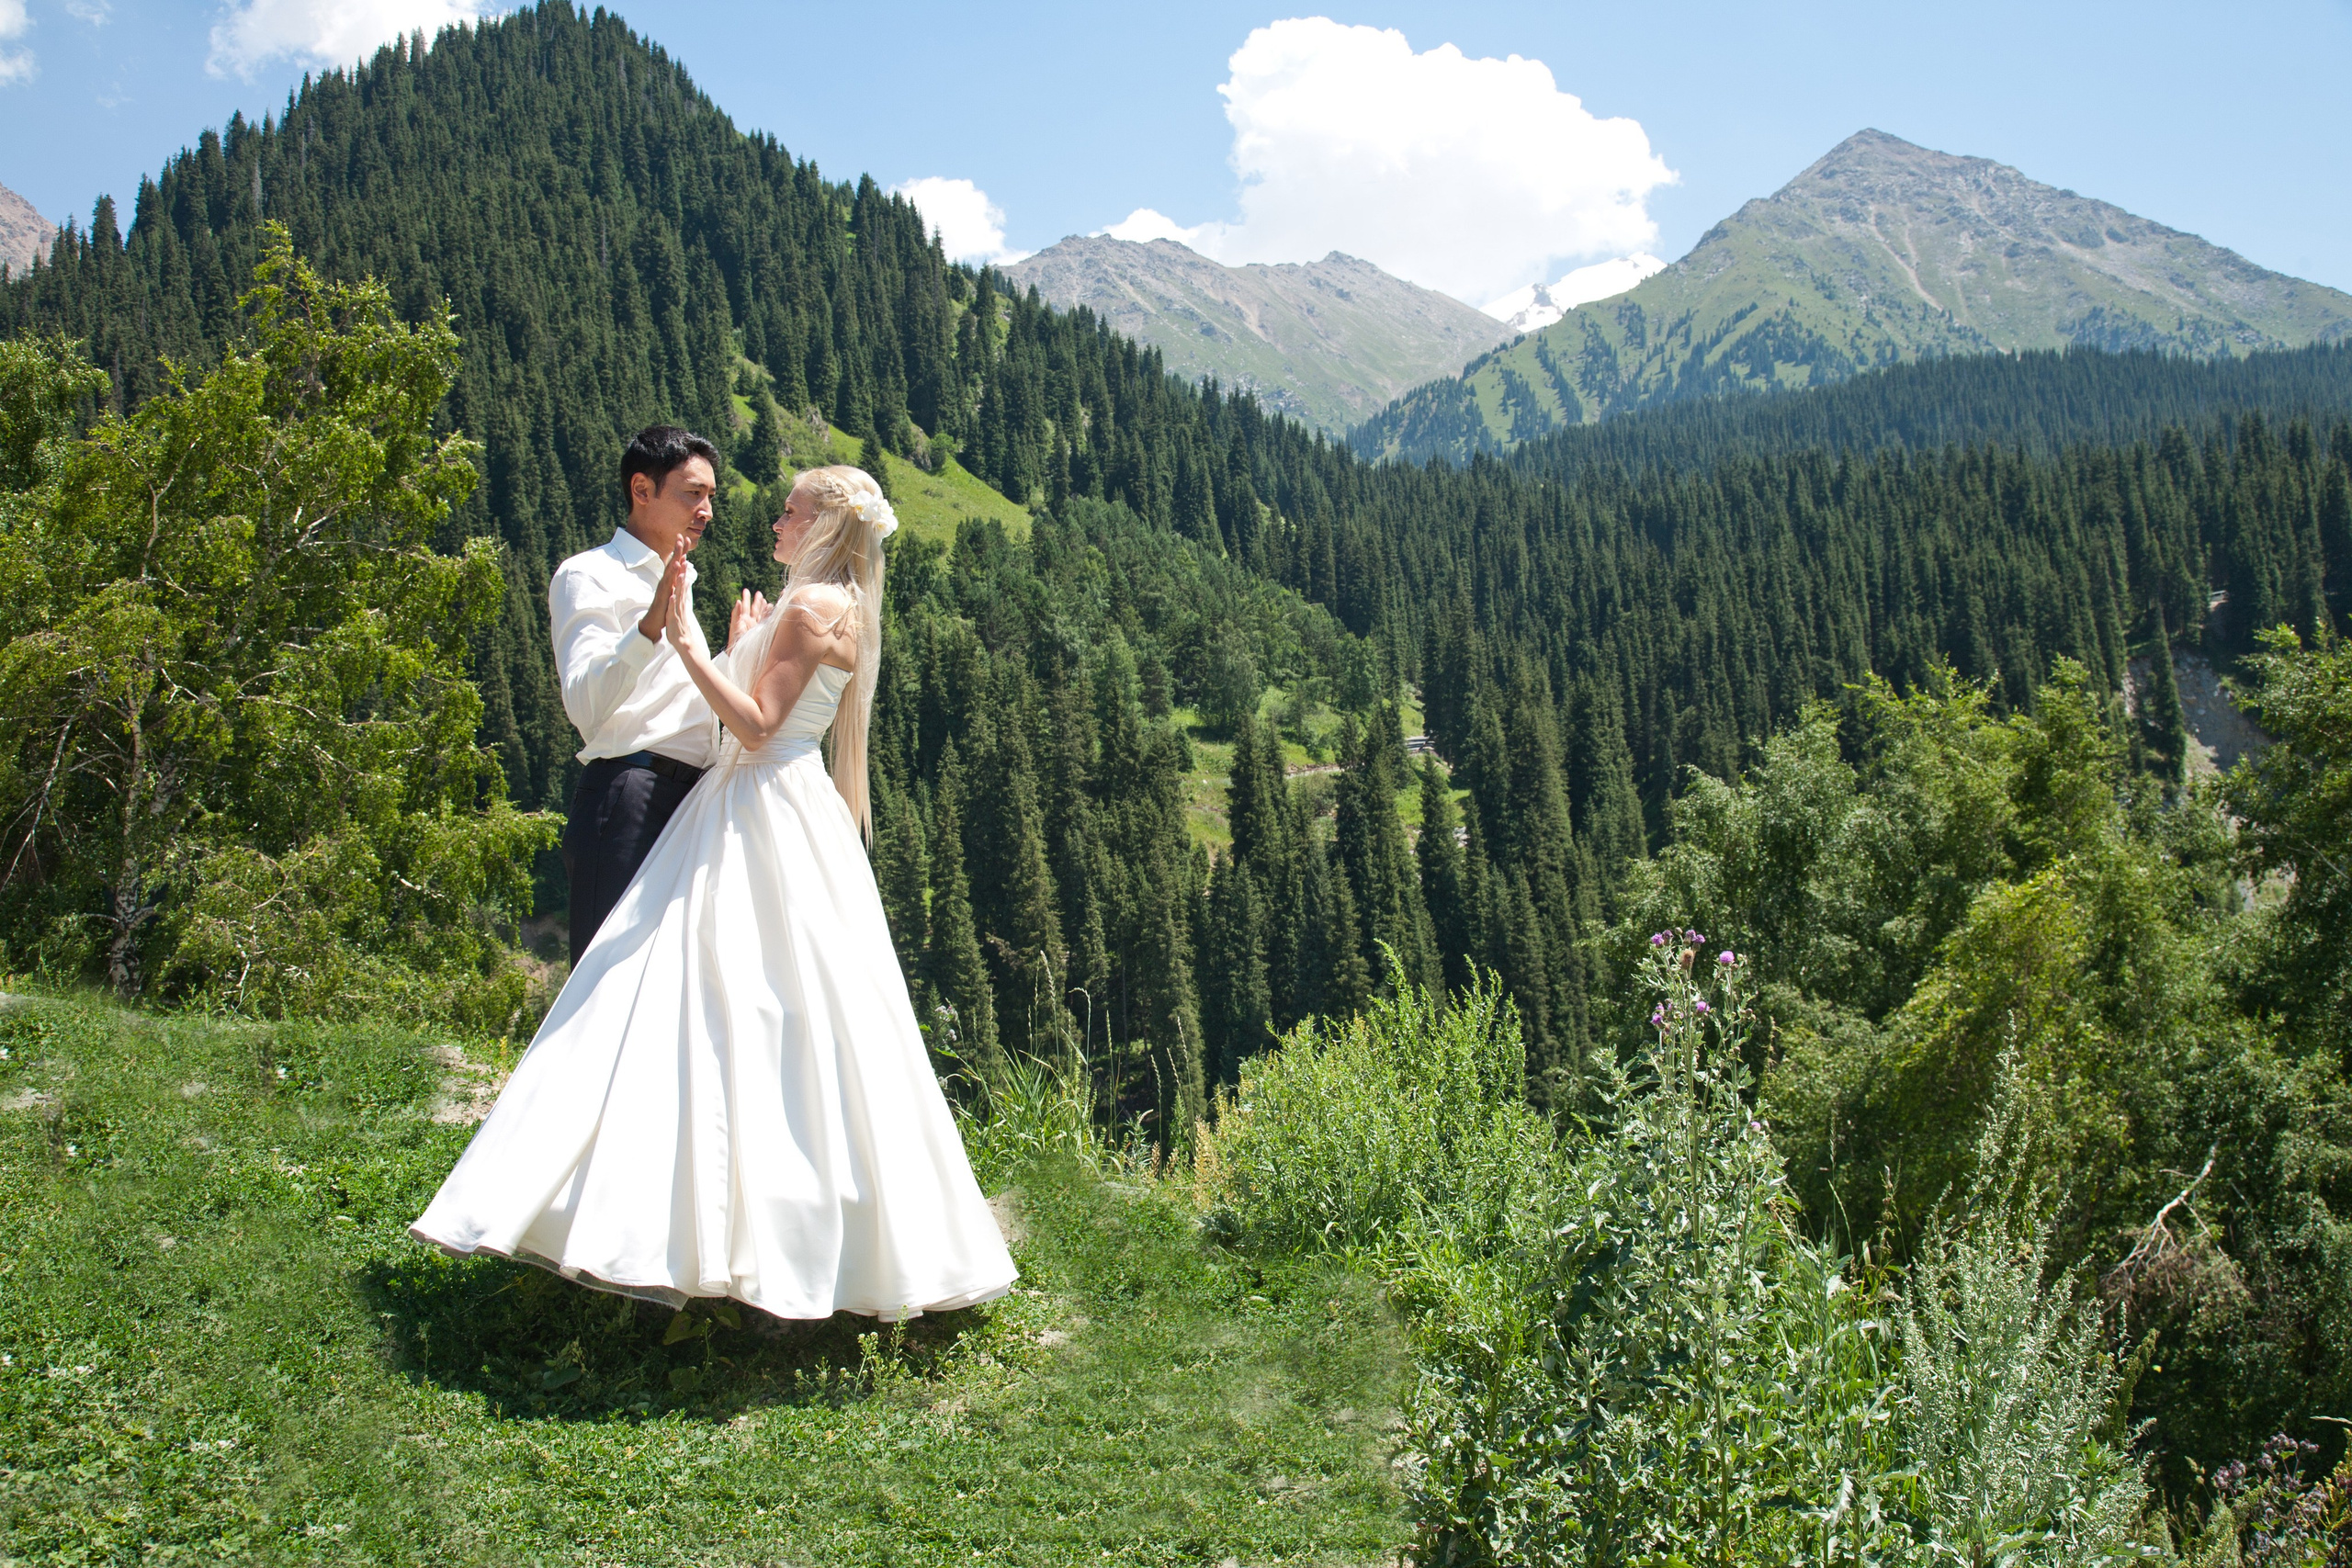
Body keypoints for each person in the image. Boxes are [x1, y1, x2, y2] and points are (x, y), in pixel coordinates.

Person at [412, 466, 1017, 1323]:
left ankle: (700, 1234)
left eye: (789, 510)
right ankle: (780, 1236)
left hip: (758, 808)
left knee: (719, 1005)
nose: (775, 519)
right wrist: (747, 640)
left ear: (819, 527)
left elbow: (760, 726)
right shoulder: (813, 607)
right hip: (759, 807)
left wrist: (695, 645)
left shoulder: (813, 611)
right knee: (773, 1013)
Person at [552, 425, 722, 967]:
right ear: (641, 490)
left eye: (711, 497)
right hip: (628, 792)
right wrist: (649, 627)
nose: (706, 511)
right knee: (605, 983)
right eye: (692, 493)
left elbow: (667, 697)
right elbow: (584, 706)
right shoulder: (589, 575)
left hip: (693, 801)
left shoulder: (680, 577)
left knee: (666, 988)